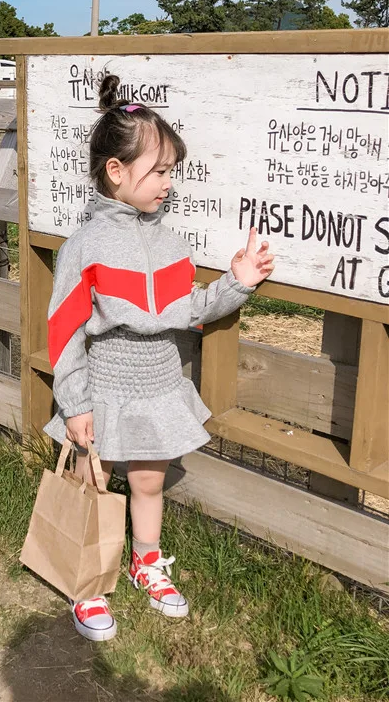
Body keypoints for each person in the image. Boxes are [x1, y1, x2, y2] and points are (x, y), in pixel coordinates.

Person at [45, 74, 275, 642]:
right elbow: (65, 329)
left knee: (149, 482)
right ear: (116, 171)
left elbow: (190, 310)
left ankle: (145, 562)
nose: (169, 184)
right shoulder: (85, 247)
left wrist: (238, 282)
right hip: (104, 385)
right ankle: (87, 581)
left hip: (158, 384)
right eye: (159, 172)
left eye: (172, 172)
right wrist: (75, 403)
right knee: (93, 480)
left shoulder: (172, 244)